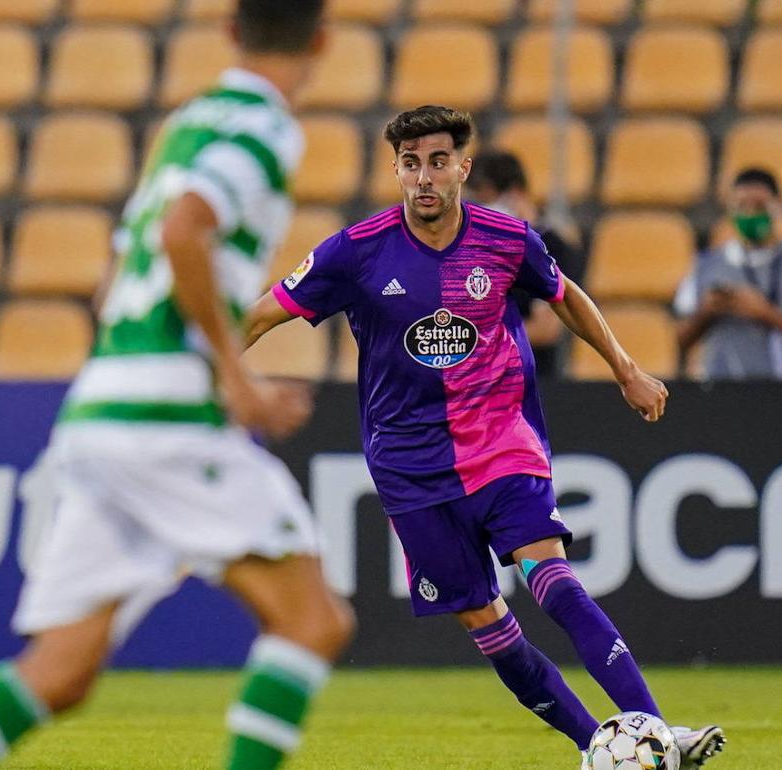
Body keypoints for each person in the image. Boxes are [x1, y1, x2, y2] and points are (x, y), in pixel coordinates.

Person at [0, 3, 354, 769]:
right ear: (321, 39)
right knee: (313, 621)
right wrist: (232, 372)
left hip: (101, 409)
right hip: (166, 418)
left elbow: (119, 269)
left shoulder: (187, 123)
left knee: (62, 670)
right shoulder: (266, 126)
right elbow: (185, 231)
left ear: (229, 32)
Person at [243, 105, 725, 766]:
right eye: (410, 164)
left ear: (463, 167)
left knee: (549, 574)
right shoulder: (355, 250)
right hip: (410, 470)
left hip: (501, 443)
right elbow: (264, 313)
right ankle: (601, 747)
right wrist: (203, 376)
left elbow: (565, 295)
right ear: (396, 170)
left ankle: (659, 736)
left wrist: (626, 367)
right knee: (489, 625)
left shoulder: (506, 238)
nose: (423, 178)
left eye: (437, 162)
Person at [675, 167, 782, 380]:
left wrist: (767, 314)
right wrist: (706, 312)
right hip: (722, 388)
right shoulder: (706, 264)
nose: (751, 214)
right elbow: (680, 340)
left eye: (760, 206)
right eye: (742, 206)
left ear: (778, 207)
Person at [465, 149, 586, 377]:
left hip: (533, 380)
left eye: (485, 198)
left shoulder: (550, 245)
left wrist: (477, 343)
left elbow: (546, 329)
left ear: (515, 194)